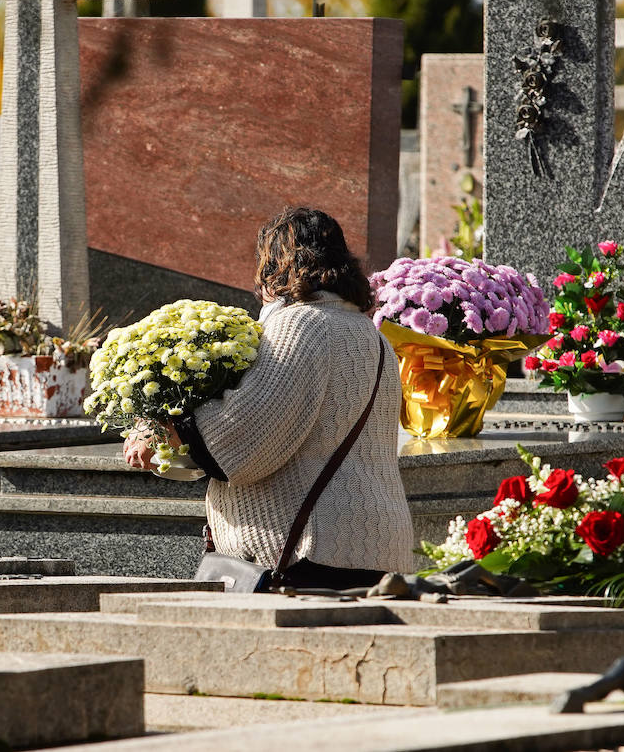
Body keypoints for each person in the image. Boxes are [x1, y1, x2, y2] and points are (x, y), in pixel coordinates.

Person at [123, 206, 414, 590]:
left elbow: (247, 437)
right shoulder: (371, 335)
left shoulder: (300, 323)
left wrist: (164, 430)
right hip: (370, 543)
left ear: (277, 263)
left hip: (311, 552)